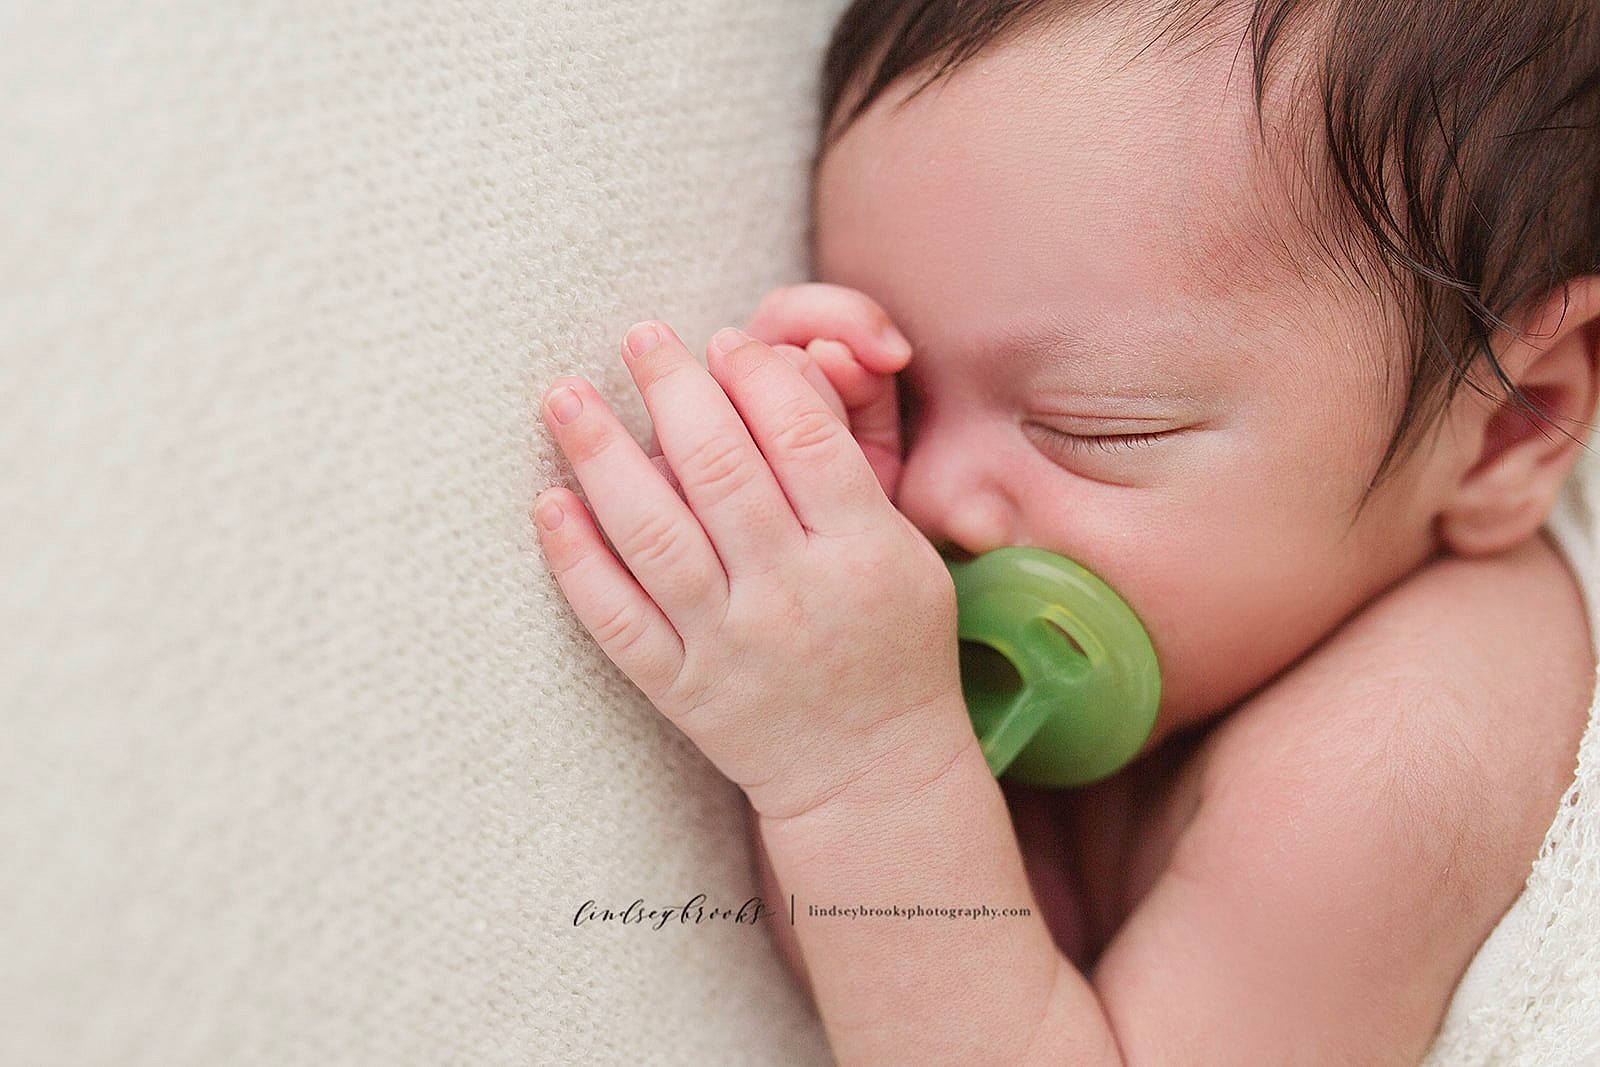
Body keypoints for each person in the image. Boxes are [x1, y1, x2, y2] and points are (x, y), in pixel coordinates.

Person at [534, 1, 1600, 1061]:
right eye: (909, 399)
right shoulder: (1265, 609)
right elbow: (1011, 966)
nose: (941, 500)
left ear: (1511, 422)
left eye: (1091, 425)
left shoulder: (1386, 760)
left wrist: (863, 769)